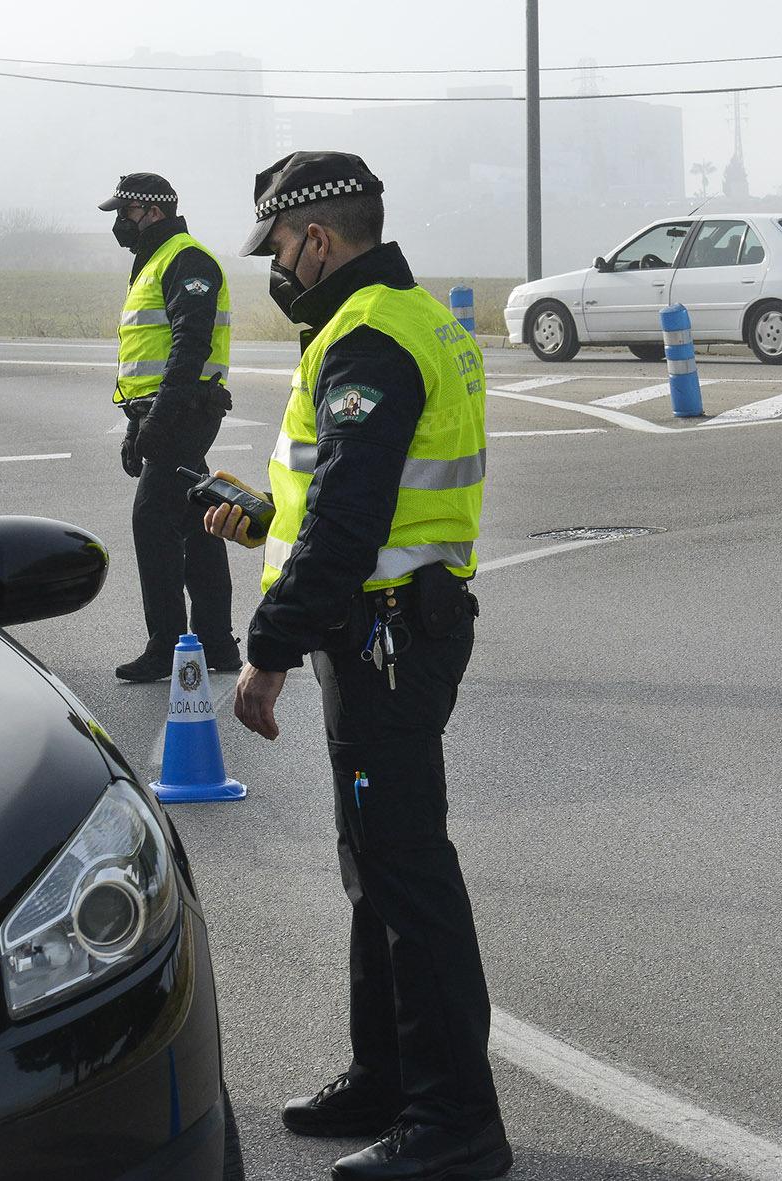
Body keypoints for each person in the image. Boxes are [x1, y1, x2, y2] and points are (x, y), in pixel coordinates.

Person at [203, 151, 509, 1181]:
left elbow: (348, 521)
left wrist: (266, 652)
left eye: (279, 249)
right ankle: (384, 1077)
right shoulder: (410, 320)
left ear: (317, 240)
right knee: (376, 861)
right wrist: (259, 520)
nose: (276, 268)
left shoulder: (369, 339)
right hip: (389, 622)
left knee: (406, 871)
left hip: (382, 635)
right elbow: (333, 504)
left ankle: (456, 1120)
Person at [98, 172, 240, 681]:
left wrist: (159, 418)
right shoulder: (154, 261)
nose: (119, 222)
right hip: (165, 410)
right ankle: (217, 644)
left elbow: (189, 344)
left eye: (124, 212)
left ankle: (166, 647)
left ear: (151, 211)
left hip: (185, 409)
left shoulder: (187, 259)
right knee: (194, 521)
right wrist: (136, 422)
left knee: (152, 521)